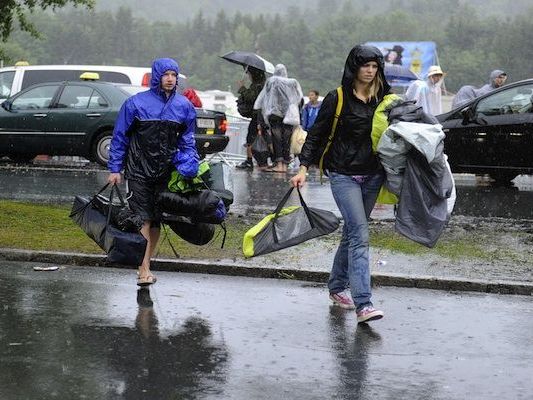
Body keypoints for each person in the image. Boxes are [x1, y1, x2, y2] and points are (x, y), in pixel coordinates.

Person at [290, 44, 389, 324]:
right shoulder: (339, 98)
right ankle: (364, 304)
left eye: (374, 66)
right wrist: (303, 168)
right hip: (343, 174)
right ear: (354, 67)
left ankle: (336, 286)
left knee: (353, 232)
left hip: (373, 175)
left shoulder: (384, 98)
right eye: (365, 65)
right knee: (360, 234)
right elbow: (316, 134)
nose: (370, 71)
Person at [107, 58, 199, 286]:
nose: (170, 79)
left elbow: (188, 139)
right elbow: (120, 137)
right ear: (157, 76)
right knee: (143, 219)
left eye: (174, 75)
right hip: (138, 171)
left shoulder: (183, 106)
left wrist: (189, 162)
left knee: (157, 221)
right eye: (166, 74)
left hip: (166, 172)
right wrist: (115, 168)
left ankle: (146, 262)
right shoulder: (135, 104)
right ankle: (143, 269)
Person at [254, 63, 303, 173]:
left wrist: (258, 108)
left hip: (274, 114)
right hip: (289, 115)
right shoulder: (292, 82)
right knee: (287, 140)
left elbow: (264, 97)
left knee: (277, 139)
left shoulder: (271, 81)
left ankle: (279, 164)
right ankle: (285, 165)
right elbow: (299, 97)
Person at [235, 66, 267, 171]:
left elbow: (252, 97)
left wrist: (242, 88)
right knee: (256, 138)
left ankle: (250, 161)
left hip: (257, 116)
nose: (248, 76)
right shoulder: (261, 84)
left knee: (251, 138)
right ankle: (258, 160)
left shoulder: (259, 86)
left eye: (249, 74)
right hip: (259, 116)